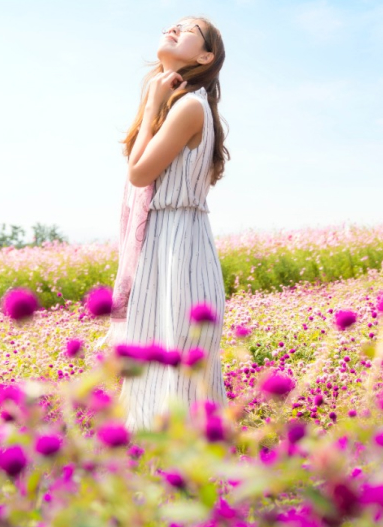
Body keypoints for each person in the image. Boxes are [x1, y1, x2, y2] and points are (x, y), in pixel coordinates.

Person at [96, 16, 230, 431]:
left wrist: (153, 104)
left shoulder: (189, 106)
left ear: (206, 56)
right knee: (163, 368)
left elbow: (138, 173)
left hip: (177, 247)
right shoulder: (186, 103)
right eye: (172, 24)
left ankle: (189, 476)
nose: (173, 29)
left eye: (188, 29)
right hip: (168, 241)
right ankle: (163, 474)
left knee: (178, 367)